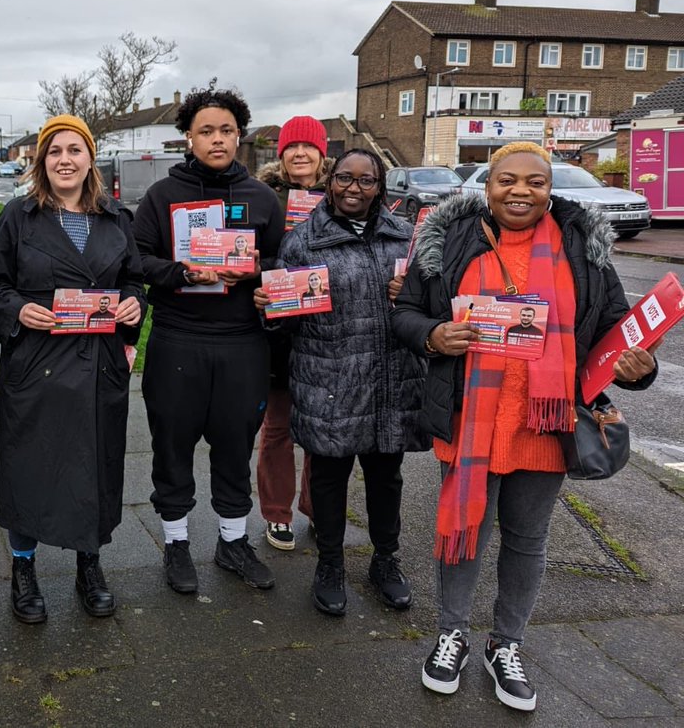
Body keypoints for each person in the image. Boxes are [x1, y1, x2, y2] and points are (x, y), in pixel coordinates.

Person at [393, 142, 658, 712]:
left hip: (546, 418)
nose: (520, 191)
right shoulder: (449, 241)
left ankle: (506, 643)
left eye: (534, 182)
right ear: (486, 187)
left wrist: (640, 368)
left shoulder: (583, 249)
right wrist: (434, 335)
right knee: (466, 528)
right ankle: (452, 632)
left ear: (550, 188)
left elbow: (617, 330)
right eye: (506, 180)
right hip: (469, 417)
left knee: (527, 536)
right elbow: (407, 313)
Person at [0, 115, 145, 622]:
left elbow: (133, 282)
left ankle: (88, 565)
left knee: (93, 469)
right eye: (54, 151)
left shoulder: (117, 218)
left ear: (90, 158)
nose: (65, 159)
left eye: (75, 149)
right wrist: (17, 311)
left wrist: (133, 314)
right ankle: (23, 569)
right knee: (30, 469)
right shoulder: (17, 217)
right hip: (37, 365)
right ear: (40, 161)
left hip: (98, 368)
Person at [256, 149, 427, 617]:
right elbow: (283, 323)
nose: (354, 188)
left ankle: (385, 560)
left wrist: (411, 295)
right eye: (345, 179)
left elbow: (434, 303)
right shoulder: (303, 240)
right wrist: (271, 307)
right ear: (330, 182)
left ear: (381, 186)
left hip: (391, 378)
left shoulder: (406, 237)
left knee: (385, 477)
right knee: (329, 477)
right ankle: (330, 564)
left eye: (366, 181)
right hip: (328, 379)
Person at [133, 85, 285, 593]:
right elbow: (135, 259)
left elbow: (284, 266)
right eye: (206, 131)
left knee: (235, 443)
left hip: (242, 341)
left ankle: (232, 541)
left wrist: (261, 272)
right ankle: (176, 543)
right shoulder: (162, 196)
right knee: (172, 443)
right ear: (188, 137)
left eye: (226, 131)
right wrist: (180, 273)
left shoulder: (264, 198)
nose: (217, 140)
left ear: (239, 135)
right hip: (179, 337)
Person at [255, 115, 328, 551]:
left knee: (322, 429)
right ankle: (276, 513)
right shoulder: (264, 197)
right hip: (280, 327)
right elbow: (246, 251)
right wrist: (266, 279)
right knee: (277, 427)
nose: (300, 154)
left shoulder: (342, 193)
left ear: (322, 152)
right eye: (291, 147)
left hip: (327, 328)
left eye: (308, 146)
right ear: (280, 154)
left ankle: (318, 508)